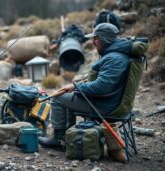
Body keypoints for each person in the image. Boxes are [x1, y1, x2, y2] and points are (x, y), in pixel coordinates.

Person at [38, 23, 136, 162]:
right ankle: (69, 138)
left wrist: (76, 87)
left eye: (96, 38)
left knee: (58, 97)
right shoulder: (119, 55)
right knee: (68, 96)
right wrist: (77, 85)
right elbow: (104, 81)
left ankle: (58, 139)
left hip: (105, 106)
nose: (93, 42)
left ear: (104, 39)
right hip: (112, 101)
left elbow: (101, 87)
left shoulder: (114, 59)